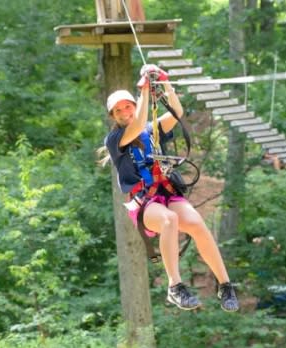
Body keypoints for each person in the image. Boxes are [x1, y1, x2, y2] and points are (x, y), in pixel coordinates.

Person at [102, 65, 239, 312]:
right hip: (144, 202)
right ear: (113, 116)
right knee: (169, 221)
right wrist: (144, 92)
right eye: (119, 110)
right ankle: (175, 286)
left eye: (128, 106)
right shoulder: (114, 140)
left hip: (166, 192)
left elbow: (176, 111)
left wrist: (165, 83)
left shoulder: (150, 130)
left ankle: (225, 284)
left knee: (197, 224)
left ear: (133, 106)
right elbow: (137, 124)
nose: (124, 112)